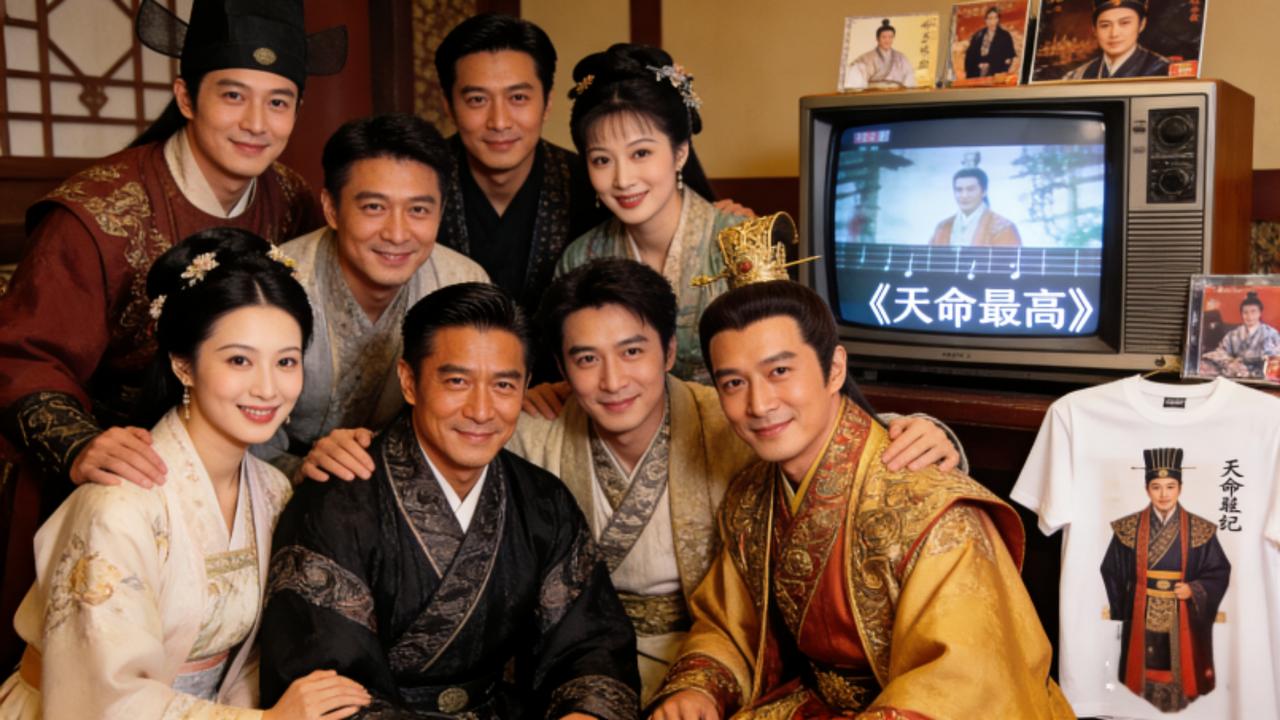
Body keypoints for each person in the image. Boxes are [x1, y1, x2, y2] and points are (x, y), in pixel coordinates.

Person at [0, 0, 342, 667]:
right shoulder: (96, 214)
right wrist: (79, 445)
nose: (257, 122)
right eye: (233, 95)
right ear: (186, 96)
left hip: (232, 470)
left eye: (278, 102)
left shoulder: (291, 198)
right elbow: (21, 354)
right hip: (109, 468)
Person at [507, 259, 965, 702]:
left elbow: (822, 433)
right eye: (587, 359)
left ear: (669, 352)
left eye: (632, 352)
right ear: (561, 368)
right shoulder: (535, 434)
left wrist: (922, 431)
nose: (612, 381)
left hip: (715, 653)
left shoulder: (730, 418)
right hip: (580, 661)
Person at [649, 276, 1072, 718]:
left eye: (779, 372)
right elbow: (731, 628)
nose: (758, 404)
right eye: (734, 383)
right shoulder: (753, 498)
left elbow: (970, 680)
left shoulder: (932, 509)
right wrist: (699, 690)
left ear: (834, 369)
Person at [0, 229, 371, 719]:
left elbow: (254, 660)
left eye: (286, 361)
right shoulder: (119, 504)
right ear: (183, 365)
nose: (267, 388)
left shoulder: (273, 490)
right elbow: (98, 700)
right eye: (239, 360)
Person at [257, 282, 640, 719]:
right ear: (409, 381)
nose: (481, 410)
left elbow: (591, 644)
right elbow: (326, 688)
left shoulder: (542, 501)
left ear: (525, 386)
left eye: (503, 385)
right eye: (457, 381)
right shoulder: (336, 502)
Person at [253, 114, 488, 476]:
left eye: (418, 210)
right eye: (374, 207)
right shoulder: (272, 284)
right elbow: (232, 418)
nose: (397, 233)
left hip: (405, 472)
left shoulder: (463, 283)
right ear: (332, 209)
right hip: (275, 472)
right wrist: (298, 471)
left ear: (441, 211)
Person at [554, 43, 746, 383]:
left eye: (640, 153)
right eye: (602, 160)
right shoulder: (580, 258)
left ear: (680, 153)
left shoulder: (738, 242)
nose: (623, 179)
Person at [432, 13, 605, 322]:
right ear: (449, 105)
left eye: (518, 97)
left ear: (547, 102)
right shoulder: (420, 182)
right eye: (477, 99)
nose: (499, 122)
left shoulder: (591, 182)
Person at [1100, 448, 1230, 713]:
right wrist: (1123, 606)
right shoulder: (1128, 527)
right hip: (1142, 607)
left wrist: (1194, 589)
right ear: (1146, 489)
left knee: (1179, 669)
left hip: (1182, 609)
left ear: (1180, 488)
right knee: (1143, 670)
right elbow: (1111, 568)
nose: (1163, 494)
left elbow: (1219, 570)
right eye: (1156, 487)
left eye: (1170, 486)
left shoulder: (1200, 528)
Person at [1065, 0, 1169, 80]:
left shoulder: (1163, 70)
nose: (1114, 34)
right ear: (1094, 29)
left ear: (1141, 24)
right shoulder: (1078, 75)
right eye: (1105, 25)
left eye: (1124, 23)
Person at [929, 167, 1021, 246]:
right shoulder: (942, 227)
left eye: (970, 189)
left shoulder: (1003, 228)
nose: (964, 195)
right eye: (959, 190)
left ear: (984, 192)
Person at [1199, 291, 1280, 378]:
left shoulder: (1270, 333)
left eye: (1253, 312)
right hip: (1235, 372)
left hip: (1260, 374)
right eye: (1245, 312)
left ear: (1260, 313)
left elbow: (1274, 357)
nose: (1249, 316)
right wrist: (1230, 363)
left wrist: (1248, 362)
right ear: (1241, 314)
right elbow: (1220, 352)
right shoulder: (1233, 334)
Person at [845, 19, 917, 90]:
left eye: (890, 37)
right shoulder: (867, 57)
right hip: (873, 92)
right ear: (877, 39)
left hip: (897, 92)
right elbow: (856, 78)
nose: (887, 40)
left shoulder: (901, 58)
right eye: (884, 37)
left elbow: (909, 78)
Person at [963, 7, 1018, 80]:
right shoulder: (978, 35)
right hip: (977, 72)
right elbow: (970, 55)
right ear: (986, 20)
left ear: (998, 19)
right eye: (990, 18)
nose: (992, 21)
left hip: (996, 72)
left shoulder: (1005, 36)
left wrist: (1001, 71)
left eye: (995, 18)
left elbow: (1009, 57)